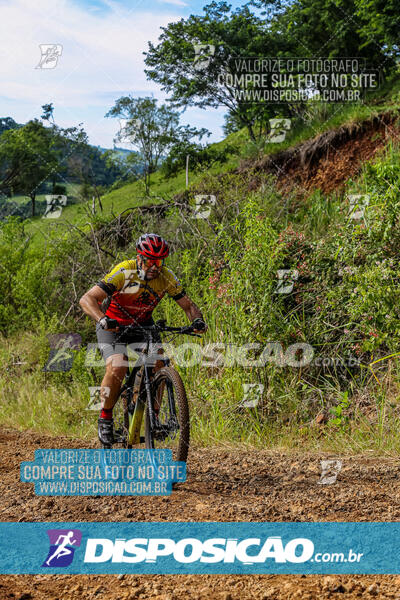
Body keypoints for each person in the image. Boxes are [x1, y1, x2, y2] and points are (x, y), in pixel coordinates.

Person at [79, 233, 207, 445]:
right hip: (114, 325)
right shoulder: (124, 271)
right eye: (149, 261)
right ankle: (106, 419)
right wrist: (102, 319)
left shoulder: (166, 277)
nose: (154, 266)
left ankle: (152, 418)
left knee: (159, 362)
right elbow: (87, 299)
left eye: (159, 261)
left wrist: (198, 320)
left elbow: (189, 305)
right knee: (118, 366)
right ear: (139, 258)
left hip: (143, 325)